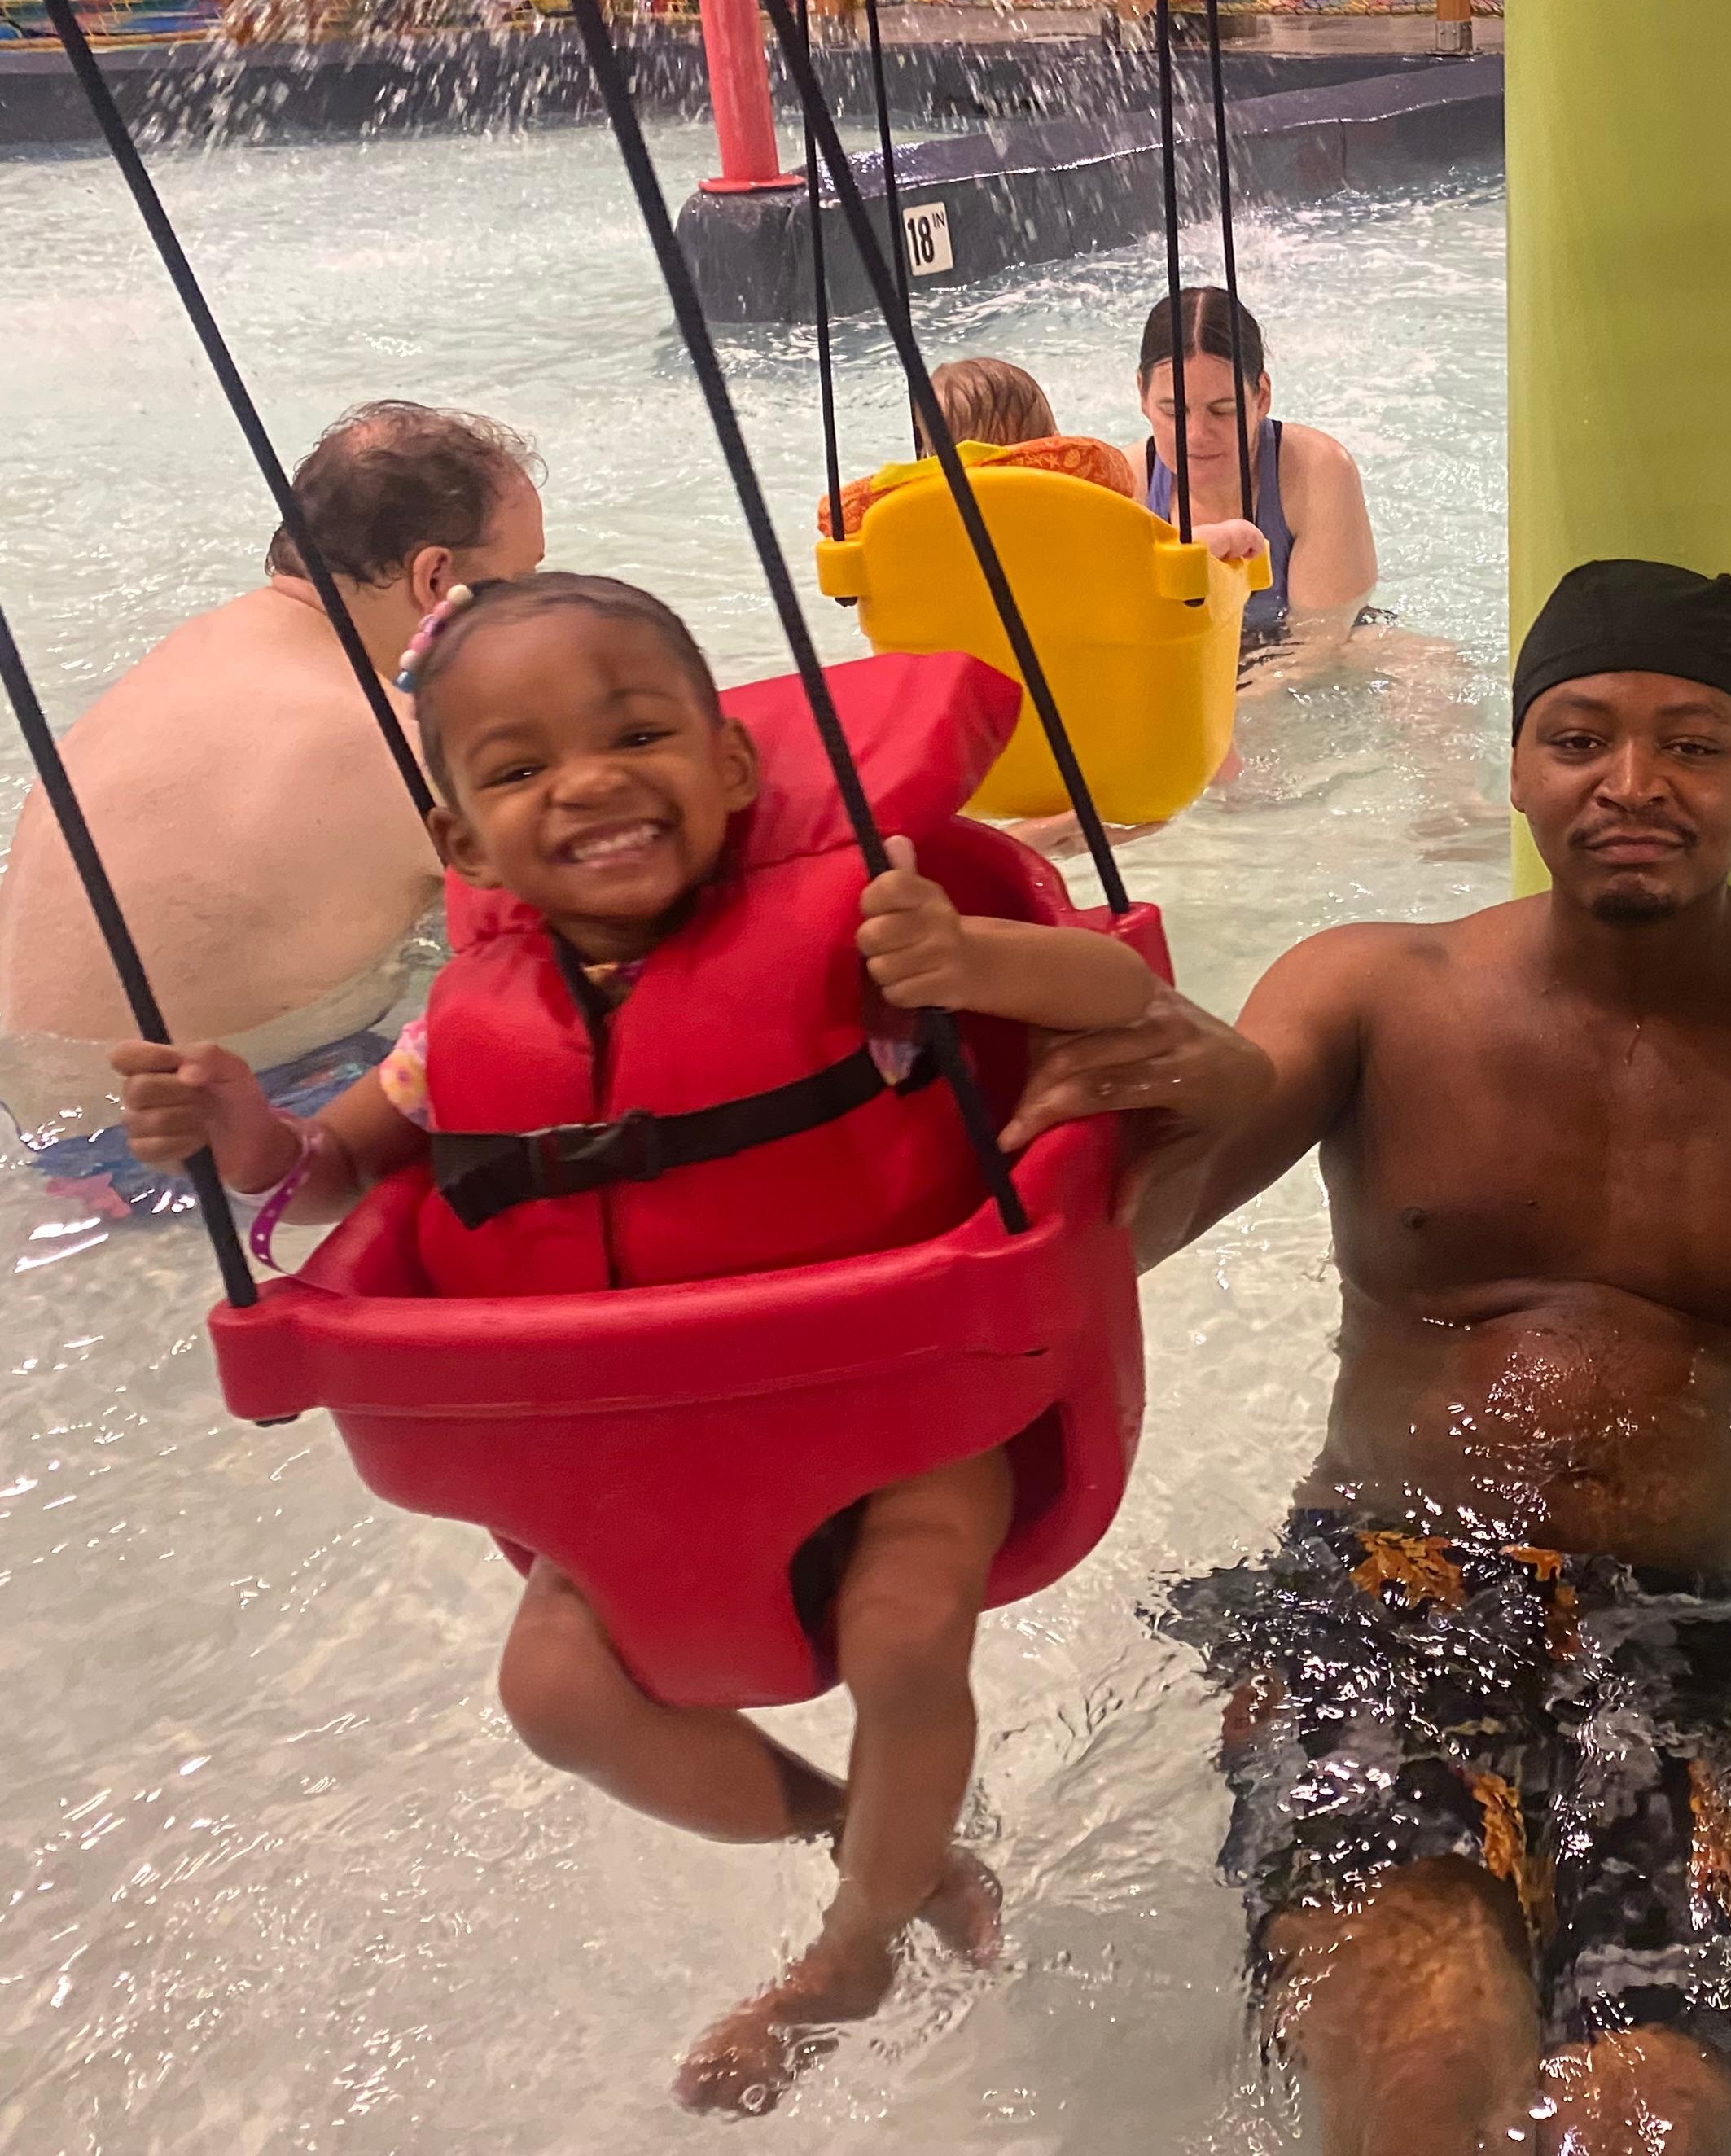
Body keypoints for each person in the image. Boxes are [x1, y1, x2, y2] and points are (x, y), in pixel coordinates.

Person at [990, 559, 1731, 2155]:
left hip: (1720, 1632)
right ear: (1520, 765)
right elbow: (1119, 1235)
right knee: (1420, 2074)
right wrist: (1151, 1102)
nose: (1634, 782)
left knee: (1656, 2121)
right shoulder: (1373, 987)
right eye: (1580, 737)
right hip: (1386, 1590)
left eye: (1693, 744)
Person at [107, 573, 1163, 2116]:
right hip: (645, 1450)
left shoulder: (861, 939)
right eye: (521, 765)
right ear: (466, 842)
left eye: (639, 734)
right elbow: (327, 1171)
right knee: (554, 1696)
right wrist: (241, 1130)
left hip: (898, 1416)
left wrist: (967, 962)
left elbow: (1118, 985)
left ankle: (853, 1946)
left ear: (730, 766)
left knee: (903, 1631)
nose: (590, 781)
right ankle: (871, 1834)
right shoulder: (455, 1032)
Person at [0, 401, 546, 1213]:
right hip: (190, 1142)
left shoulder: (193, 651)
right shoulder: (399, 736)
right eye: (520, 582)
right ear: (434, 578)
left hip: (16, 1105)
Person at [1137, 288, 1379, 676]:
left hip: (1310, 664)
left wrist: (1218, 704)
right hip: (1202, 669)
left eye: (1223, 410)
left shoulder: (1317, 471)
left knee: (1428, 672)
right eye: (1174, 411)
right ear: (1143, 395)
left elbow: (1319, 644)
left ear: (1261, 397)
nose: (1197, 435)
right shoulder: (1129, 482)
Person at [817, 353, 1263, 562]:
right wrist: (1229, 534)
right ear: (1048, 441)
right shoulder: (1067, 501)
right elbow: (1158, 556)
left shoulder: (899, 515)